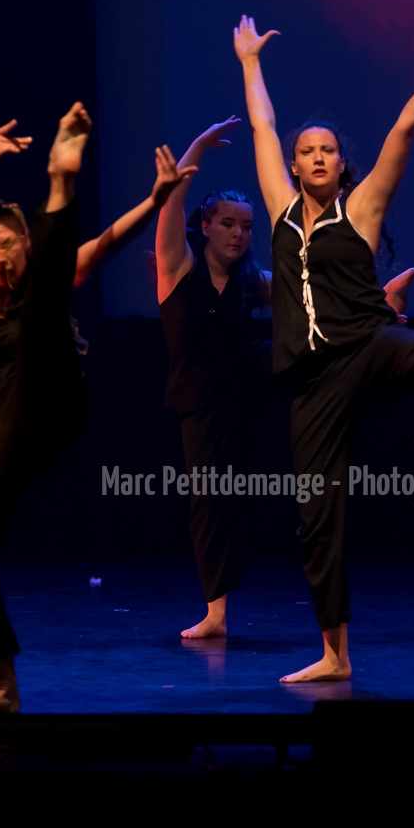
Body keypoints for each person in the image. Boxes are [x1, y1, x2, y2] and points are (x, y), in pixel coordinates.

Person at [233, 10, 414, 683]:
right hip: (313, 380)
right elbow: (262, 125)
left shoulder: (362, 208)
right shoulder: (281, 212)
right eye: (307, 151)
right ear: (295, 165)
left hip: (367, 344)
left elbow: (404, 127)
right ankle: (335, 655)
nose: (317, 157)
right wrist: (251, 63)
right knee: (316, 518)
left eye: (328, 150)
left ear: (342, 164)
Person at [0, 108, 195, 713]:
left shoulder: (45, 280)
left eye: (6, 245)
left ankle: (61, 180)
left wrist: (155, 202)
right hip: (3, 430)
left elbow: (106, 243)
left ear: (26, 242)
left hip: (55, 404)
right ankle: (1, 685)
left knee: (41, 305)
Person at [152, 116, 276, 639]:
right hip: (203, 400)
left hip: (251, 381)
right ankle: (216, 613)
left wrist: (374, 304)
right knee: (212, 501)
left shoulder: (255, 281)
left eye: (246, 227)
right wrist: (199, 145)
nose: (239, 234)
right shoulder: (178, 267)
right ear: (206, 226)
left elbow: (315, 295)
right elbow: (170, 203)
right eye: (228, 224)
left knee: (301, 346)